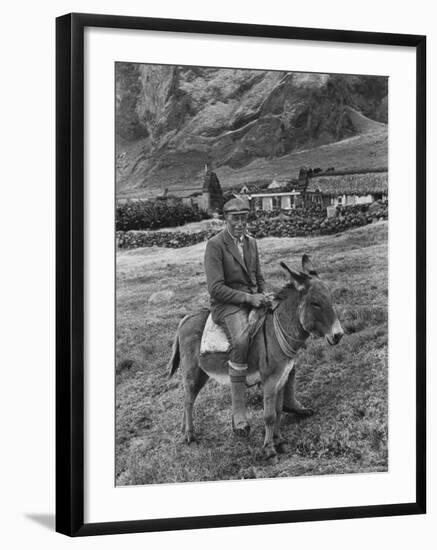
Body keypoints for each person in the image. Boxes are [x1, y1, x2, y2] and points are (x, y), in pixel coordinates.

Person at [204, 198, 269, 435]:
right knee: (241, 340)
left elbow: (258, 276)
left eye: (244, 217)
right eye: (235, 218)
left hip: (252, 298)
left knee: (283, 328)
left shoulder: (252, 243)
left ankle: (289, 398)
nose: (240, 223)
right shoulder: (215, 245)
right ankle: (238, 412)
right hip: (226, 305)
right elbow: (216, 288)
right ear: (225, 219)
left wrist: (263, 294)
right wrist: (248, 299)